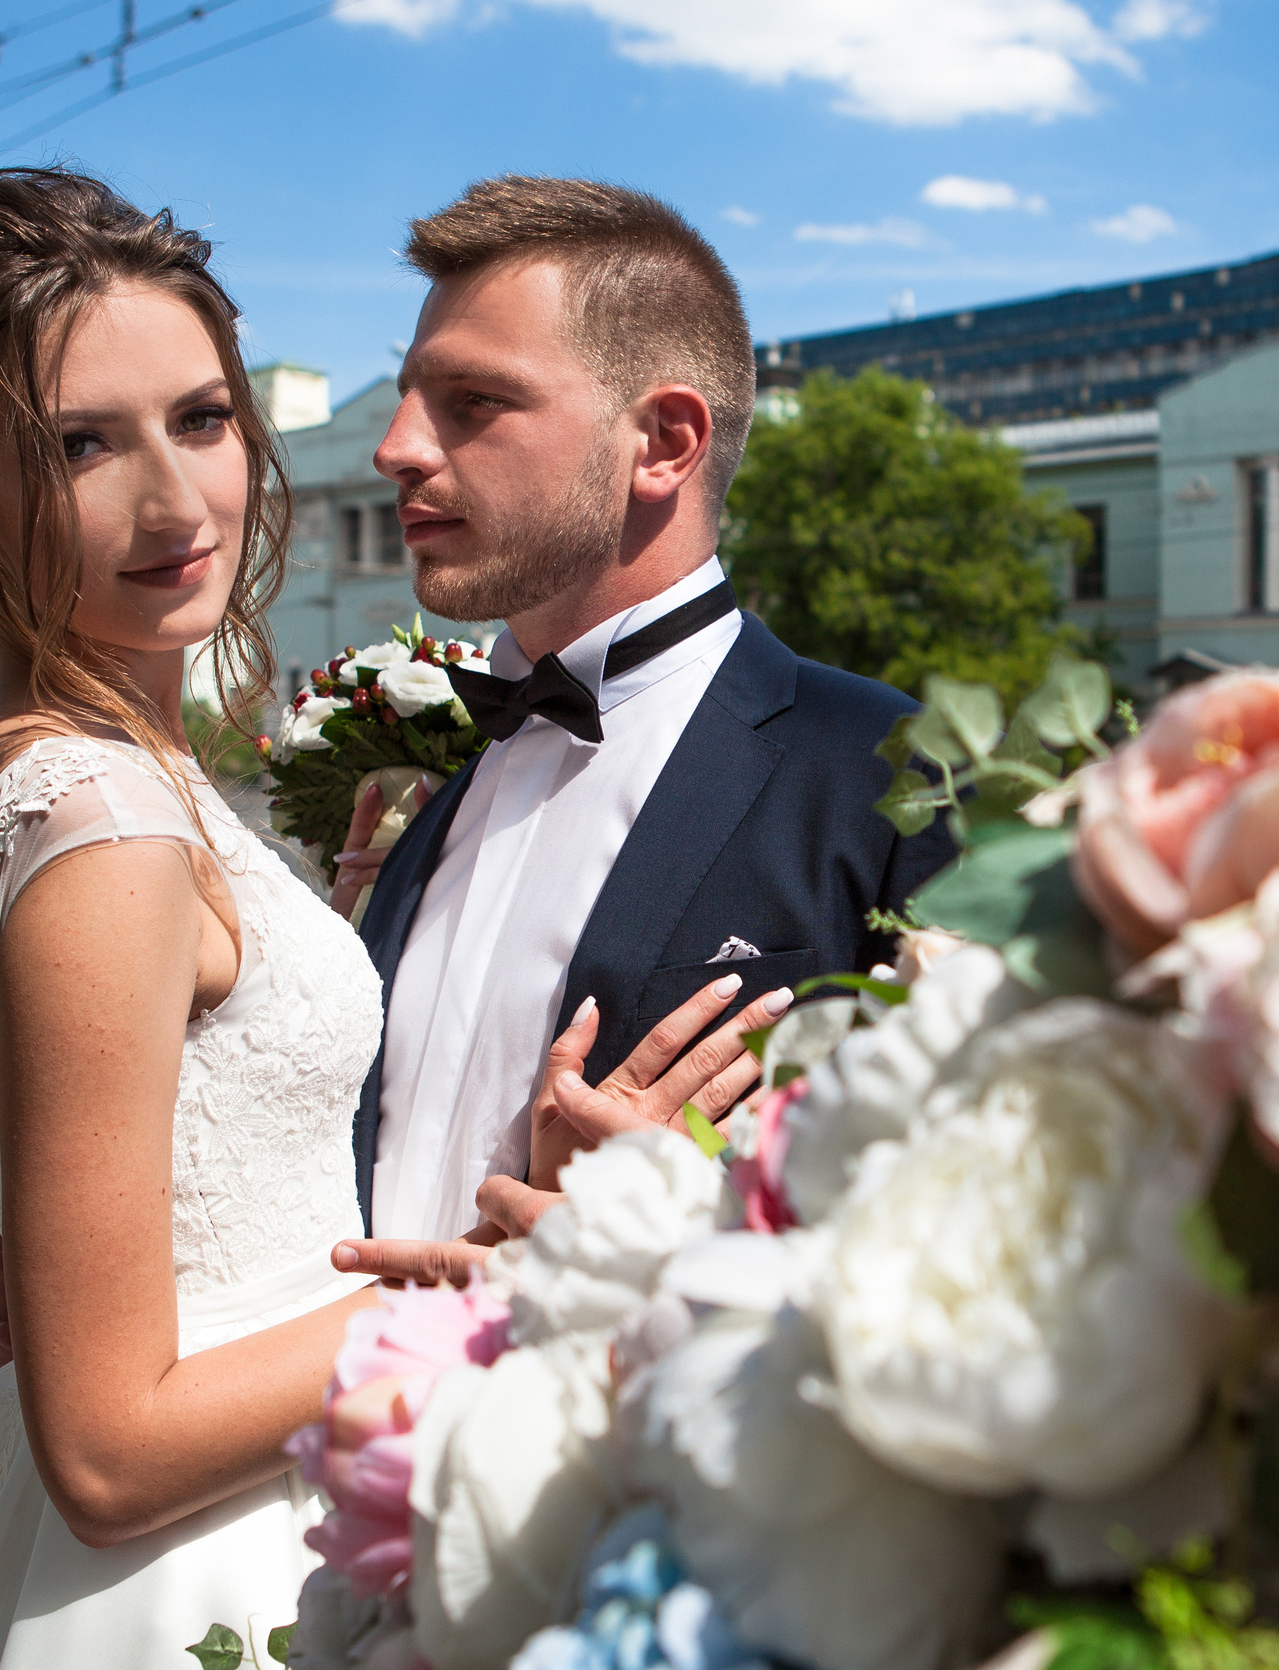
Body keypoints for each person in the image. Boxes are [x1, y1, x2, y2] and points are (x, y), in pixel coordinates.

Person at [0, 168, 778, 1669]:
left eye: (202, 418)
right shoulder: (99, 818)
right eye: (79, 444)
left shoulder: (25, 764)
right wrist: (512, 1277)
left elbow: (165, 1108)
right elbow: (105, 1449)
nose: (176, 503)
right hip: (201, 1550)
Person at [327, 177, 957, 1279]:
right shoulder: (433, 787)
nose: (395, 449)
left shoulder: (890, 775)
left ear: (664, 442)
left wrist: (685, 1231)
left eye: (470, 402)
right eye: (404, 399)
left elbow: (985, 1244)